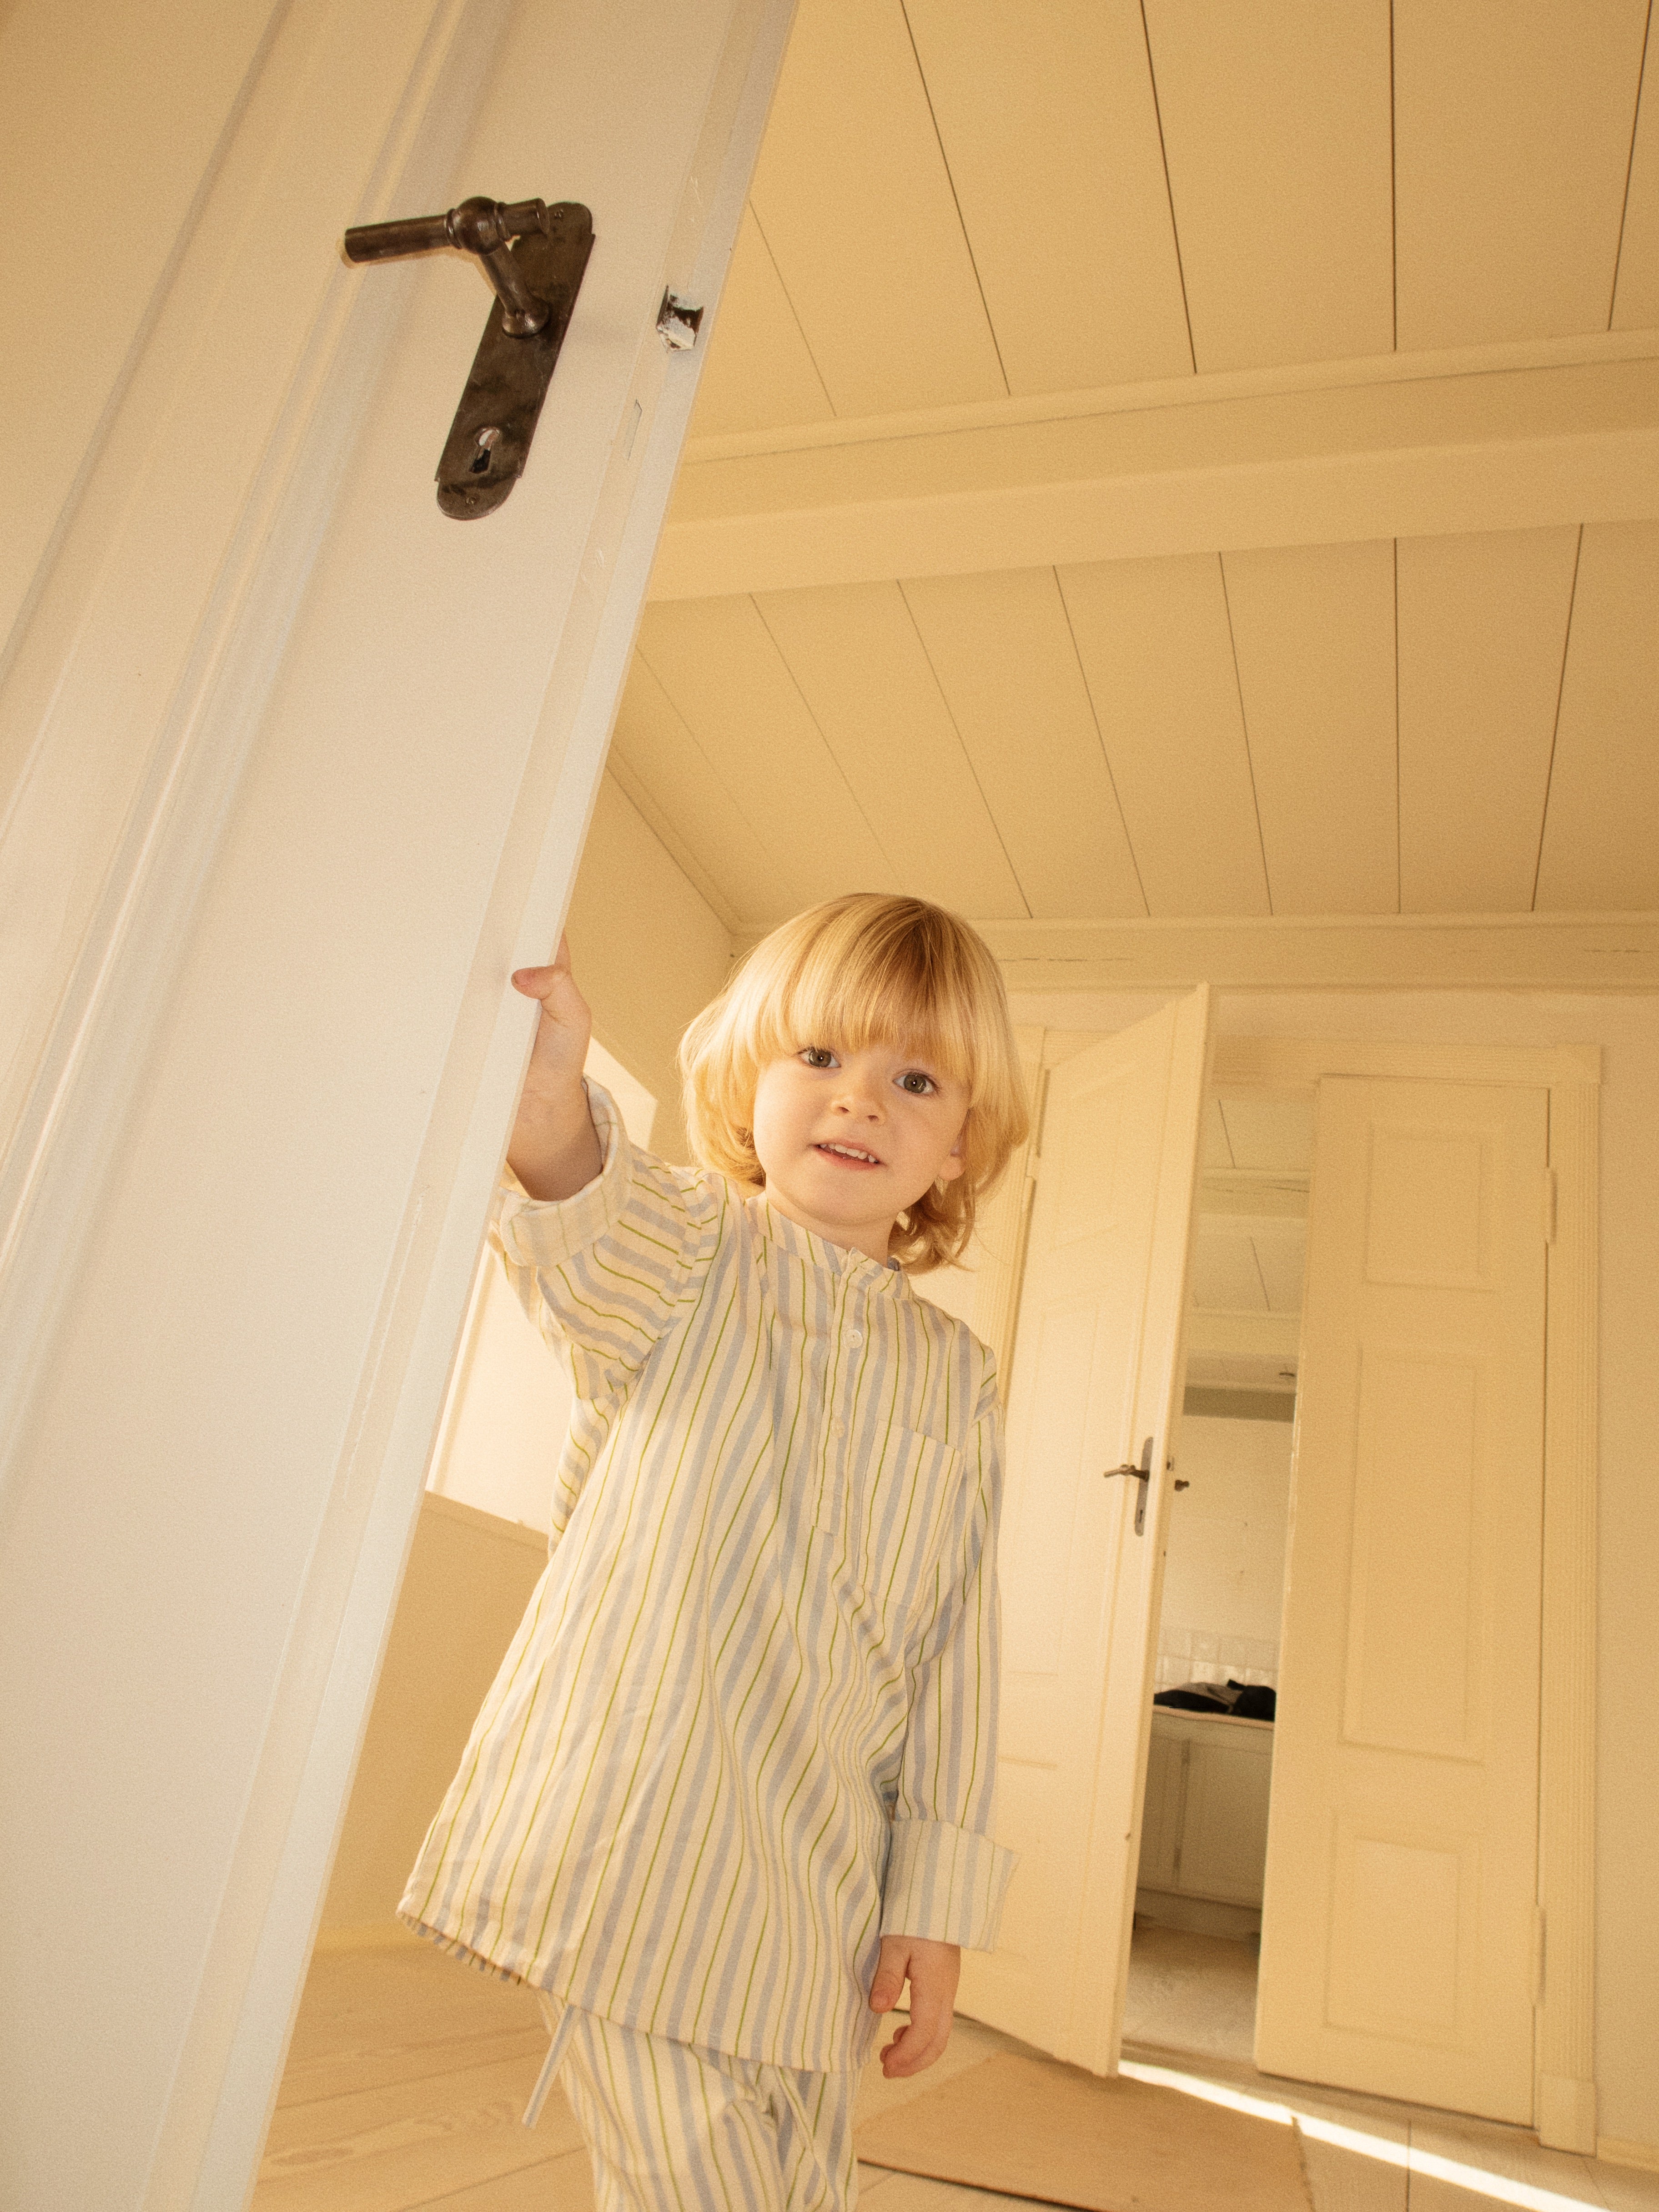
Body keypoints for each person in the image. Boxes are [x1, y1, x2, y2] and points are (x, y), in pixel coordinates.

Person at [400, 891, 1029, 2212]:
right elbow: (580, 1224)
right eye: (818, 1059)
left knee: (801, 2177)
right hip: (644, 1842)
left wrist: (937, 1900)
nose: (858, 1102)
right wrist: (549, 1101)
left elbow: (955, 1651)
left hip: (814, 1888)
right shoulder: (690, 1249)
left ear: (962, 1143)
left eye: (912, 1078)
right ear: (749, 1090)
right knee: (695, 2182)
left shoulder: (959, 1381)